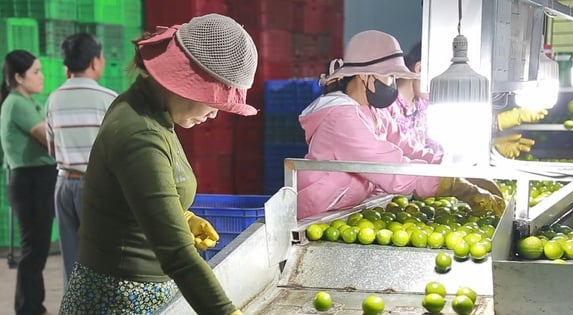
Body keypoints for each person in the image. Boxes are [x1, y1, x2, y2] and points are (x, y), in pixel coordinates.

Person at [58, 14, 256, 314]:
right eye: (214, 100)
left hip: (142, 289)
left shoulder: (151, 111)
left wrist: (180, 216)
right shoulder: (140, 132)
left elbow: (132, 194)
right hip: (120, 299)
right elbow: (178, 256)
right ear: (187, 83)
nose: (215, 113)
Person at [298, 30, 504, 220]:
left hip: (344, 209)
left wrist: (460, 170)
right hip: (317, 215)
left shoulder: (372, 112)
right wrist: (454, 185)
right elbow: (391, 169)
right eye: (390, 76)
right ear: (365, 76)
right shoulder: (341, 119)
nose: (393, 84)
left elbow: (407, 148)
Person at [45, 33, 118, 288]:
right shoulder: (108, 99)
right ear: (95, 61)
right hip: (96, 187)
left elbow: (53, 150)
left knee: (71, 262)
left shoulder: (53, 99)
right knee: (102, 259)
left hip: (63, 185)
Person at [1, 50, 56, 315]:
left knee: (37, 249)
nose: (41, 77)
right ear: (19, 77)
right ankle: (29, 308)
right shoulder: (18, 103)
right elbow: (48, 139)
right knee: (34, 251)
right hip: (32, 182)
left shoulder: (25, 101)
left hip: (37, 181)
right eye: (36, 71)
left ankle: (34, 306)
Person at [388, 41, 443, 159]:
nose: (442, 88)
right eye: (439, 81)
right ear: (419, 68)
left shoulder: (424, 106)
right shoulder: (387, 107)